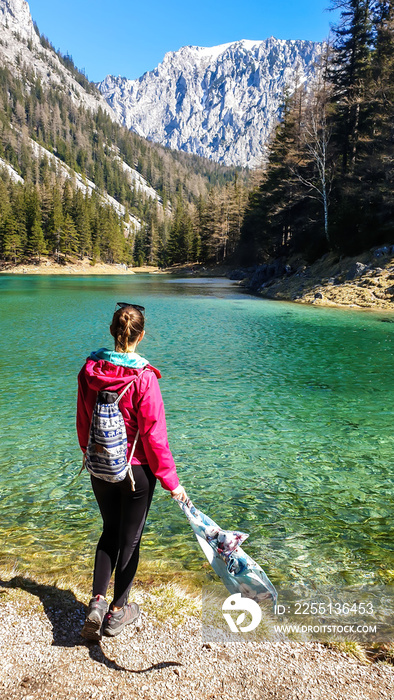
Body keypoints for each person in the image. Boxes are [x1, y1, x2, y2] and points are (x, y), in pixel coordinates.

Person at [76, 302, 186, 641]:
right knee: (130, 539)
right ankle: (118, 611)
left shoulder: (90, 369)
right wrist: (172, 483)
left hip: (100, 465)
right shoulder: (144, 377)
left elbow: (83, 422)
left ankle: (96, 601)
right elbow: (154, 438)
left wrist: (90, 454)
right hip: (135, 471)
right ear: (141, 335)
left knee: (109, 531)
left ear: (112, 331)